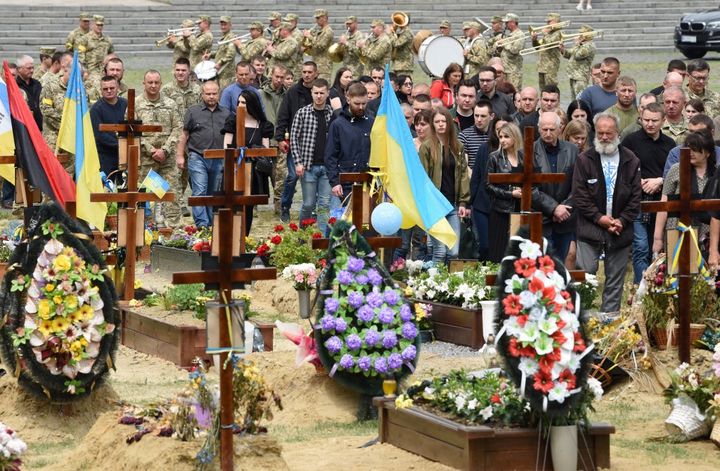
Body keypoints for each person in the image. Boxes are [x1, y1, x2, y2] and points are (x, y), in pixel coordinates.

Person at [572, 112, 641, 314]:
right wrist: (599, 218)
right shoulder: (585, 160)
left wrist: (621, 220)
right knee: (585, 278)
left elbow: (635, 197)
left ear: (617, 133)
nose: (604, 137)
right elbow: (579, 195)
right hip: (590, 228)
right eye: (600, 133)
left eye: (608, 133)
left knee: (615, 280)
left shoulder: (631, 160)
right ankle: (582, 321)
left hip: (620, 229)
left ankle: (609, 320)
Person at [621, 102, 676, 285]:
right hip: (637, 200)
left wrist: (660, 181)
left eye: (654, 121)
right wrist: (638, 182)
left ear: (663, 120)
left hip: (661, 199)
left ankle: (658, 284)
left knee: (658, 245)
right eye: (646, 120)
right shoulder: (630, 141)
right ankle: (640, 285)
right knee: (641, 246)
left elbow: (673, 171)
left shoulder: (670, 144)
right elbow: (623, 169)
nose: (650, 124)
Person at [175, 81, 230, 228]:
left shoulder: (226, 113)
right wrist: (180, 155)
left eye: (214, 93)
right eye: (208, 94)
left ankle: (212, 225)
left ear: (219, 94)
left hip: (219, 158)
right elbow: (184, 134)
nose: (211, 97)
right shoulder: (193, 111)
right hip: (198, 156)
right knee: (200, 191)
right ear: (202, 94)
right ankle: (202, 225)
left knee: (213, 193)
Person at [418, 108, 470, 263]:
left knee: (453, 252)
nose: (441, 124)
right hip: (434, 206)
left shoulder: (457, 146)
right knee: (439, 251)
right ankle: (434, 286)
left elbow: (462, 175)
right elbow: (423, 178)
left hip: (452, 204)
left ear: (449, 123)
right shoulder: (426, 147)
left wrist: (462, 201)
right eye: (437, 121)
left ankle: (448, 285)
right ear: (433, 125)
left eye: (444, 121)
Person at [655, 131, 716, 260]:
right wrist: (657, 238)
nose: (691, 153)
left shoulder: (715, 174)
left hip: (706, 236)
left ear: (707, 153)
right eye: (688, 149)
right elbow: (663, 205)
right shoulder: (676, 169)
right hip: (677, 231)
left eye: (695, 149)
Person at [221, 90, 274, 235]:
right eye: (238, 102)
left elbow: (266, 150)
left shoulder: (263, 125)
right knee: (231, 205)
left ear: (251, 104)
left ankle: (245, 237)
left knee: (248, 206)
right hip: (234, 168)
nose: (240, 105)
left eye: (243, 102)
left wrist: (254, 151)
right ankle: (230, 236)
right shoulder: (232, 121)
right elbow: (226, 145)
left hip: (254, 171)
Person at [135, 70, 183, 228]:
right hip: (146, 160)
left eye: (156, 82)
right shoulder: (135, 104)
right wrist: (151, 150)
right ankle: (146, 231)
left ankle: (174, 232)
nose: (153, 86)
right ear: (144, 84)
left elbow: (178, 128)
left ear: (161, 84)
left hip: (167, 160)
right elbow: (132, 131)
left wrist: (165, 150)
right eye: (150, 82)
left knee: (171, 195)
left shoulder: (170, 104)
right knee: (145, 197)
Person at [531, 112, 579, 260]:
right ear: (538, 129)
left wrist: (564, 208)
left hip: (565, 218)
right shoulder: (528, 151)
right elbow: (529, 188)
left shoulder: (572, 150)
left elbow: (578, 184)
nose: (548, 133)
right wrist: (553, 208)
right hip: (541, 219)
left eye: (552, 129)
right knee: (542, 265)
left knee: (559, 265)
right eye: (544, 129)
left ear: (560, 129)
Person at [276, 61, 319, 222]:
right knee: (293, 176)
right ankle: (285, 206)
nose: (306, 75)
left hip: (316, 142)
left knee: (314, 176)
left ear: (316, 73)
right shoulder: (293, 92)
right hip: (296, 142)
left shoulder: (320, 91)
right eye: (304, 72)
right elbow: (283, 115)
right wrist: (280, 138)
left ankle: (313, 209)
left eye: (309, 72)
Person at [291, 78, 333, 233]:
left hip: (327, 166)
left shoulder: (332, 114)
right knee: (309, 203)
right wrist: (298, 162)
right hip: (308, 165)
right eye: (316, 93)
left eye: (322, 93)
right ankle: (303, 233)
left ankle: (322, 238)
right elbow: (294, 138)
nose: (319, 96)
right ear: (311, 93)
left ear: (327, 93)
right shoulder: (302, 113)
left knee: (324, 204)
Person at [325, 83, 374, 214]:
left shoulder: (372, 122)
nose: (361, 107)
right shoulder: (338, 124)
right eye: (357, 103)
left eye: (364, 103)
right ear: (348, 99)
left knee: (365, 222)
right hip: (345, 183)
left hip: (369, 182)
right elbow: (330, 156)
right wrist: (334, 182)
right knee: (341, 223)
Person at [486, 121, 523, 261]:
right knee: (498, 250)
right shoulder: (494, 158)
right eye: (500, 137)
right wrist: (510, 194)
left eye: (506, 136)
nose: (502, 140)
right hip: (500, 210)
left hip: (520, 209)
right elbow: (488, 186)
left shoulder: (523, 157)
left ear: (515, 137)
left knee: (517, 252)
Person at [260, 64, 288, 213]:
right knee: (261, 173)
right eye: (276, 77)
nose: (278, 80)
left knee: (280, 176)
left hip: (281, 141)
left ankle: (279, 207)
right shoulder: (260, 93)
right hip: (264, 141)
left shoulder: (287, 95)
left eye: (282, 78)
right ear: (271, 75)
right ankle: (254, 206)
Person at [90, 75, 127, 179]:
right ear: (101, 90)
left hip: (125, 155)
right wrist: (120, 145)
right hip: (105, 156)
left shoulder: (126, 104)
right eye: (105, 89)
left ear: (117, 88)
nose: (109, 91)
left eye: (112, 88)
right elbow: (99, 135)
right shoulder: (96, 109)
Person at [560, 25, 596, 99]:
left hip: (581, 76)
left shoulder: (589, 46)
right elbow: (569, 54)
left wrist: (577, 44)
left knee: (580, 99)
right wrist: (562, 49)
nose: (579, 35)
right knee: (574, 99)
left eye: (582, 33)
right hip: (574, 75)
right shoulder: (581, 44)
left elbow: (577, 55)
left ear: (587, 35)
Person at [459, 100, 494, 169]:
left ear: (492, 116)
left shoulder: (497, 135)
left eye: (483, 116)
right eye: (476, 115)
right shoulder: (464, 136)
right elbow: (462, 166)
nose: (479, 119)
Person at [532, 13, 563, 89]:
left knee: (551, 89)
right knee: (542, 90)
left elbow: (549, 44)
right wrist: (534, 40)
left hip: (550, 67)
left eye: (549, 22)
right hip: (542, 66)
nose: (547, 23)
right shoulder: (549, 33)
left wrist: (545, 33)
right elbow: (538, 47)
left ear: (556, 22)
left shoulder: (558, 33)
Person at [78, 15, 114, 80]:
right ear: (92, 25)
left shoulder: (107, 40)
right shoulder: (84, 39)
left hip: (104, 71)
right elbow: (80, 57)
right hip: (90, 72)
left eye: (101, 25)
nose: (100, 27)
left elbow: (111, 55)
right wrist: (85, 71)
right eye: (98, 25)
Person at [303, 9, 334, 81]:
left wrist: (309, 36)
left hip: (324, 67)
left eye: (318, 18)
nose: (316, 21)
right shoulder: (320, 31)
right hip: (317, 64)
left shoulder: (328, 31)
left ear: (325, 18)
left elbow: (321, 45)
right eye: (316, 18)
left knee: (322, 87)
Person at [209, 15, 237, 89]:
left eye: (225, 25)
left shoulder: (231, 37)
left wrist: (220, 62)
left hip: (227, 75)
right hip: (221, 73)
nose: (223, 27)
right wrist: (210, 55)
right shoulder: (224, 37)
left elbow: (230, 55)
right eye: (222, 25)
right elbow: (221, 52)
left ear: (230, 25)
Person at [497, 13, 525, 89]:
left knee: (514, 92)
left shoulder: (520, 35)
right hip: (506, 69)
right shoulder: (509, 35)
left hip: (513, 71)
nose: (505, 25)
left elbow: (515, 50)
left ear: (513, 22)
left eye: (507, 22)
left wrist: (504, 43)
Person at [15, 55, 42, 130]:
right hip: (24, 127)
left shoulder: (37, 84)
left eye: (33, 68)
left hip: (39, 126)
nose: (32, 70)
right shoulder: (15, 86)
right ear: (19, 69)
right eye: (28, 68)